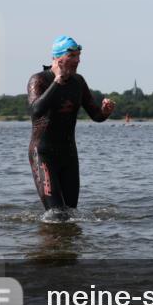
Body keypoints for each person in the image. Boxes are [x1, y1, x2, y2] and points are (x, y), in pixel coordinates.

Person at [27, 36, 115, 212]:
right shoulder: (39, 80)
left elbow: (96, 115)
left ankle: (67, 240)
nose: (78, 60)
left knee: (71, 212)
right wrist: (57, 82)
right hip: (43, 155)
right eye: (72, 56)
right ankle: (51, 239)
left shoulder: (78, 82)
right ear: (58, 58)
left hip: (68, 155)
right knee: (56, 214)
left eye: (78, 55)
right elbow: (35, 110)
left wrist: (105, 111)